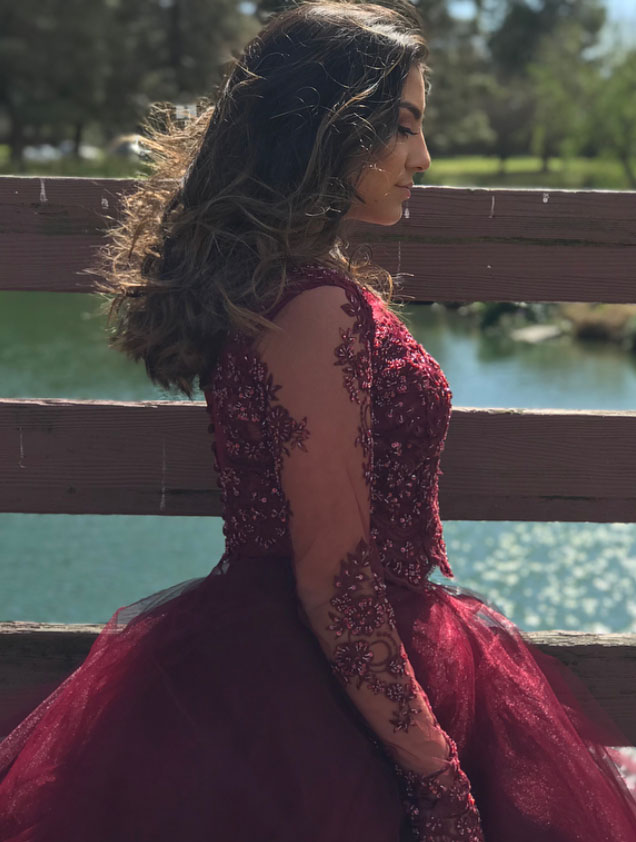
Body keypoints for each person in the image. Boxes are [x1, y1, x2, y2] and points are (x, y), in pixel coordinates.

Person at [1, 2, 635, 840]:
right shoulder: (314, 309)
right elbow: (332, 579)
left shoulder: (287, 289)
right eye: (402, 126)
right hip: (326, 677)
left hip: (312, 659)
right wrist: (435, 772)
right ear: (327, 130)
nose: (423, 157)